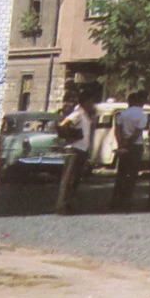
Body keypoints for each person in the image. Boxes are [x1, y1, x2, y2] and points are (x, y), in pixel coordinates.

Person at [55, 86, 99, 216]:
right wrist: (72, 135)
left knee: (75, 179)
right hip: (74, 149)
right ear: (85, 101)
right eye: (91, 101)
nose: (92, 104)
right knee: (68, 179)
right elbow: (63, 125)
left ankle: (69, 204)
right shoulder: (78, 114)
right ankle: (61, 205)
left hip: (82, 149)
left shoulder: (86, 115)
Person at [110, 91, 150, 212]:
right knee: (132, 174)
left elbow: (117, 130)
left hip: (123, 145)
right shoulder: (143, 115)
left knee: (121, 173)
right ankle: (127, 200)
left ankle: (116, 199)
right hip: (135, 146)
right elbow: (138, 131)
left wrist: (121, 142)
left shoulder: (122, 114)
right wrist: (129, 141)